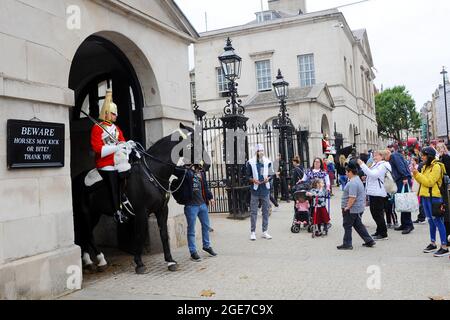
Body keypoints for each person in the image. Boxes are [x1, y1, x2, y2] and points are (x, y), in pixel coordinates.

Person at [91, 89, 132, 224]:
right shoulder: (97, 128)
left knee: (128, 171)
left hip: (117, 160)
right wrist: (116, 147)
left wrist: (128, 147)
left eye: (116, 114)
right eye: (113, 114)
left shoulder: (116, 129)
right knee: (113, 179)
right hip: (105, 162)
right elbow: (97, 149)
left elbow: (123, 141)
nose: (116, 116)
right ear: (107, 113)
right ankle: (117, 212)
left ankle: (124, 196)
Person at [412, 147, 449, 257]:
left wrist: (417, 174)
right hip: (425, 197)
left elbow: (429, 182)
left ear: (429, 156)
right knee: (431, 221)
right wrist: (417, 174)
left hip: (435, 198)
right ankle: (433, 243)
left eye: (424, 155)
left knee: (438, 221)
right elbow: (422, 181)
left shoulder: (437, 166)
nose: (422, 157)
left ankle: (444, 246)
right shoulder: (425, 166)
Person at [178, 163, 217, 262]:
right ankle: (193, 252)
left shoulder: (201, 172)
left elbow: (206, 186)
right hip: (191, 206)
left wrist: (211, 197)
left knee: (206, 226)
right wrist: (187, 166)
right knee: (191, 229)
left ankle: (206, 246)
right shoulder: (186, 171)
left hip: (202, 204)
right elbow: (177, 170)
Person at [337, 162, 376, 250]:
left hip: (351, 209)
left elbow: (352, 197)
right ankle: (369, 240)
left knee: (347, 225)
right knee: (358, 225)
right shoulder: (357, 180)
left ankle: (347, 244)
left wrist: (347, 207)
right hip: (356, 208)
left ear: (350, 172)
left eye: (347, 172)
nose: (346, 173)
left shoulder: (353, 183)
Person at [358, 150, 391, 241]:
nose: (374, 157)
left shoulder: (383, 165)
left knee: (378, 214)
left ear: (382, 156)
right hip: (374, 192)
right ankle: (379, 230)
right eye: (374, 155)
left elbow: (374, 174)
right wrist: (366, 177)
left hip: (378, 193)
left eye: (376, 155)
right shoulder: (376, 164)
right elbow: (372, 175)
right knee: (375, 213)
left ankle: (383, 233)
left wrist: (362, 165)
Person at [246, 144, 274, 241]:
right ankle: (253, 232)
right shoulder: (250, 162)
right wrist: (253, 180)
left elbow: (271, 174)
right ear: (256, 152)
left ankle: (264, 231)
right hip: (255, 190)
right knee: (253, 211)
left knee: (265, 211)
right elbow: (247, 176)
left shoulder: (267, 162)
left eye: (262, 150)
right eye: (259, 151)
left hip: (265, 189)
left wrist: (268, 178)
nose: (261, 152)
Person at [386, 147, 414, 234]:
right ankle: (404, 223)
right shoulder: (394, 156)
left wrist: (405, 177)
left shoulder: (394, 157)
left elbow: (401, 166)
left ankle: (409, 225)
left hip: (403, 180)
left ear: (386, 155)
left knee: (404, 202)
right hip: (401, 179)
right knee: (402, 202)